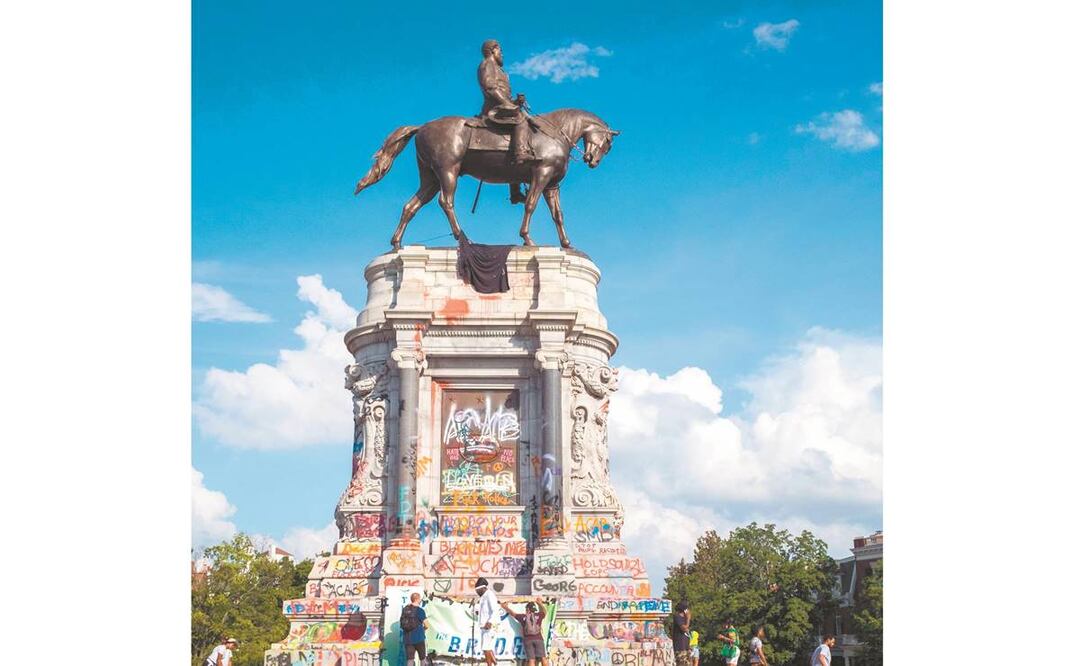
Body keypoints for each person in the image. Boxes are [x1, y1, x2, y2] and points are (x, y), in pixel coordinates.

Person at [477, 39, 532, 204]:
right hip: (494, 110)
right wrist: (508, 104)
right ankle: (521, 153)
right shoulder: (487, 65)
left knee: (523, 123)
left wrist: (516, 102)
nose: (502, 54)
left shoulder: (501, 71)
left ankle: (515, 191)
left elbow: (503, 93)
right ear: (492, 50)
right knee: (521, 120)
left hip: (502, 106)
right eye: (500, 50)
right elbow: (490, 88)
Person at [500, 597, 549, 666]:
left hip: (528, 640)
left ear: (528, 609)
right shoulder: (539, 615)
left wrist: (505, 607)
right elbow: (544, 611)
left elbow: (512, 613)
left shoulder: (522, 617)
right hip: (539, 639)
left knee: (531, 660)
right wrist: (539, 603)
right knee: (543, 658)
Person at [475, 577, 501, 666]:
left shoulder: (489, 595)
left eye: (477, 590)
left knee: (486, 648)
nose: (477, 592)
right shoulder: (483, 597)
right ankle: (495, 663)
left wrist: (490, 621)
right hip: (484, 626)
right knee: (487, 647)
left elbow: (495, 609)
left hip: (490, 626)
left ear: (482, 588)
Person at [401, 592, 429, 665]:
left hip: (408, 639)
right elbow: (427, 625)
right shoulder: (420, 610)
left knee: (410, 660)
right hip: (419, 638)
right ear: (418, 599)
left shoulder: (405, 610)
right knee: (422, 659)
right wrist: (424, 629)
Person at [671, 601, 691, 666]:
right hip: (680, 647)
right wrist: (688, 619)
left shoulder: (684, 618)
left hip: (686, 647)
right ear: (684, 610)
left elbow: (687, 631)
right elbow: (684, 628)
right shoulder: (677, 617)